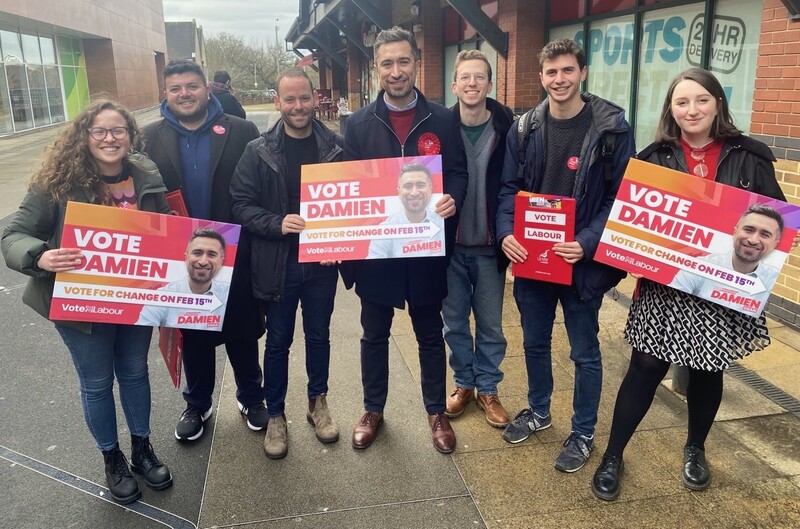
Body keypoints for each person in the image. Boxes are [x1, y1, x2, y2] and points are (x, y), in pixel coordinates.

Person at [591, 67, 799, 501]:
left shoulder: (750, 156)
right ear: (671, 109)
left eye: (701, 100)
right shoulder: (651, 160)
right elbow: (631, 225)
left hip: (719, 290)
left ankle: (695, 448)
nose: (692, 109)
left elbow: (779, 223)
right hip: (665, 289)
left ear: (718, 103)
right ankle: (613, 454)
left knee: (708, 370)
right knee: (644, 368)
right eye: (681, 102)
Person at [2, 100, 173, 504]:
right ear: (85, 136)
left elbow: (167, 228)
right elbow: (13, 236)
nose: (110, 139)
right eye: (100, 131)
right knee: (96, 384)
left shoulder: (146, 173)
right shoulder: (57, 183)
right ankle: (111, 458)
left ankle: (142, 449)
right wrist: (39, 255)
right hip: (81, 305)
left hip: (135, 300)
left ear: (130, 135)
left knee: (134, 373)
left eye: (118, 131)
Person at [496, 38, 635, 472]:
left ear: (583, 73)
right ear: (541, 78)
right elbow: (506, 190)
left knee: (584, 351)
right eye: (552, 72)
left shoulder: (612, 128)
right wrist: (504, 233)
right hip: (534, 260)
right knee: (534, 343)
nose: (560, 80)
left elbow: (620, 197)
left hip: (581, 262)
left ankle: (583, 431)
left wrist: (588, 242)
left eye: (567, 71)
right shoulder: (525, 128)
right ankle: (539, 411)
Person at [341, 26, 469, 454]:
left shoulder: (444, 118)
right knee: (373, 335)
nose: (396, 71)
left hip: (426, 250)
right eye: (387, 64)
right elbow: (349, 188)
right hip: (378, 254)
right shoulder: (356, 125)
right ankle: (373, 409)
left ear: (417, 63)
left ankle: (435, 411)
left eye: (403, 61)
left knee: (431, 335)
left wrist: (454, 197)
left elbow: (459, 174)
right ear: (376, 70)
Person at [142, 59, 266, 441]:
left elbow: (260, 184)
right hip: (181, 256)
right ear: (165, 93)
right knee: (193, 334)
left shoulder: (241, 130)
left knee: (242, 330)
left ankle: (251, 397)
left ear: (206, 88)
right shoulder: (147, 138)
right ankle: (198, 403)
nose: (184, 94)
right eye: (176, 88)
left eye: (192, 86)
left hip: (235, 250)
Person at [230, 68, 342, 459]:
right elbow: (241, 205)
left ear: (315, 99)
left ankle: (318, 403)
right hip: (277, 264)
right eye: (289, 99)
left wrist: (344, 238)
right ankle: (275, 415)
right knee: (278, 342)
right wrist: (277, 223)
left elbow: (353, 203)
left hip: (322, 264)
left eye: (304, 98)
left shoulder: (336, 147)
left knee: (319, 336)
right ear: (277, 103)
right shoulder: (258, 150)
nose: (298, 106)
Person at [442, 49, 514, 429]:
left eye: (479, 77)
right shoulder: (439, 129)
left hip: (490, 248)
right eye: (464, 77)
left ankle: (488, 387)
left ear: (490, 83)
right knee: (453, 322)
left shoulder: (509, 131)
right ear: (455, 85)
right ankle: (463, 383)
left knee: (490, 325)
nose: (472, 83)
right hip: (450, 247)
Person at [670, 204, 784, 313]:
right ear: (734, 232)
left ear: (775, 244)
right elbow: (670, 303)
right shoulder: (698, 266)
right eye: (749, 230)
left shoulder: (772, 279)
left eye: (765, 234)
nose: (753, 240)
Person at [136, 228, 231, 329]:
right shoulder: (162, 295)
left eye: (211, 254)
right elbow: (143, 324)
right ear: (186, 258)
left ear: (221, 261)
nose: (203, 261)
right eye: (197, 253)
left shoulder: (228, 294)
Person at [367, 163, 445, 259]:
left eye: (420, 185)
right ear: (398, 191)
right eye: (408, 186)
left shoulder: (442, 221)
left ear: (431, 188)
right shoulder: (383, 230)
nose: (414, 193)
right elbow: (374, 265)